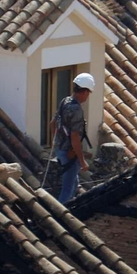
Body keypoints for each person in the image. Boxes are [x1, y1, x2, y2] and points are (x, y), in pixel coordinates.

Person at [50, 72, 96, 204]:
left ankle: (70, 208)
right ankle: (61, 215)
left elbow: (52, 124)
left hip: (61, 150)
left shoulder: (65, 101)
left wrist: (57, 144)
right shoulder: (76, 109)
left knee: (73, 181)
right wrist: (82, 161)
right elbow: (75, 137)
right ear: (85, 91)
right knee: (68, 189)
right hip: (70, 153)